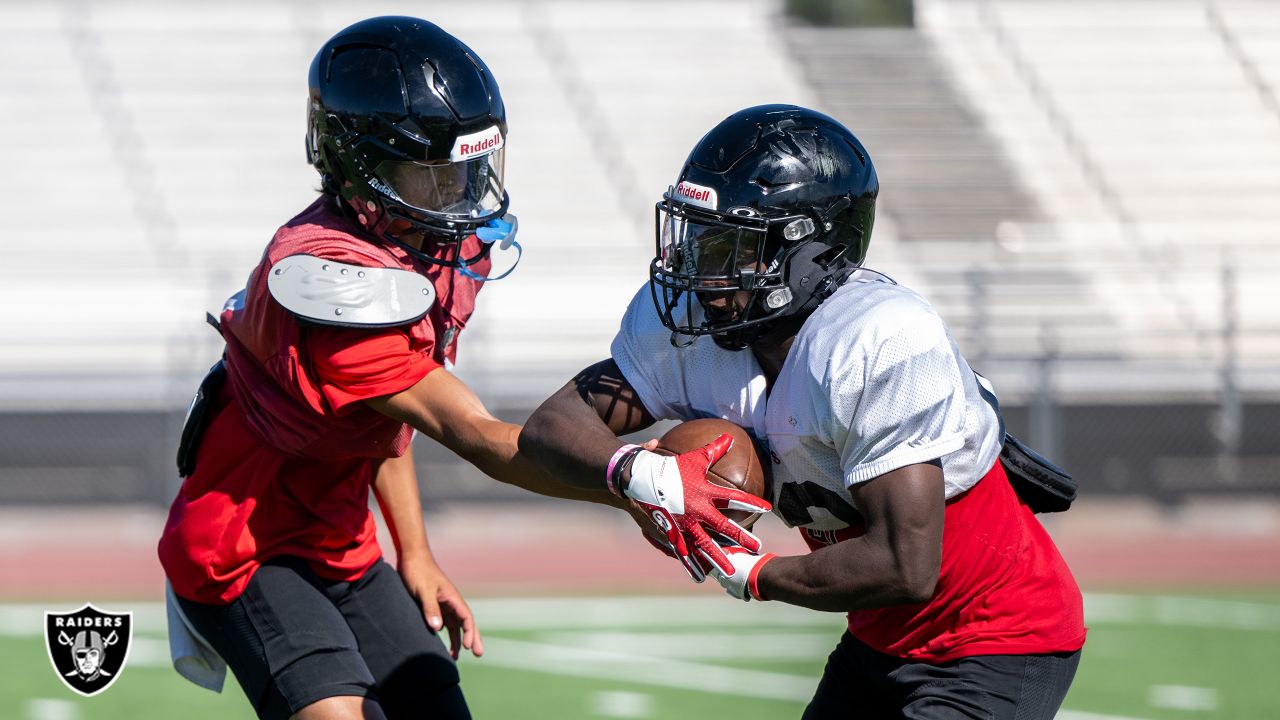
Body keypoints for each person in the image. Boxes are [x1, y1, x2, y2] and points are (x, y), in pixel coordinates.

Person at [519, 104, 1087, 718]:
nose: (700, 272)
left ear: (811, 252)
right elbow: (553, 426)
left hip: (995, 637)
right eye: (699, 241)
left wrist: (757, 572)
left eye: (728, 248)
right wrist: (638, 473)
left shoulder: (880, 339)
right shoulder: (698, 332)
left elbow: (905, 566)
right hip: (880, 635)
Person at [157, 16, 621, 720]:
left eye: (467, 171)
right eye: (433, 175)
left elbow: (383, 426)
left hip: (338, 540)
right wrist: (634, 482)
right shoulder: (333, 285)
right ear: (361, 162)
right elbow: (474, 434)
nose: (460, 195)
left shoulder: (408, 254)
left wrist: (417, 554)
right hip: (243, 549)